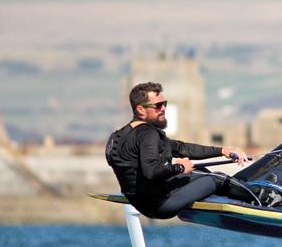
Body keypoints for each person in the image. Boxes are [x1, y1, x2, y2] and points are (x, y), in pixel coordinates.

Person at [106, 82, 249, 219]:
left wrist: (223, 150)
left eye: (164, 104)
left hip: (141, 204)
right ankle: (262, 198)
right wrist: (180, 168)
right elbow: (151, 172)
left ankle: (226, 196)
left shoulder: (117, 136)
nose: (163, 108)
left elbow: (182, 148)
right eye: (158, 105)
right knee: (218, 178)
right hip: (162, 204)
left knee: (202, 172)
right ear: (141, 109)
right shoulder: (148, 134)